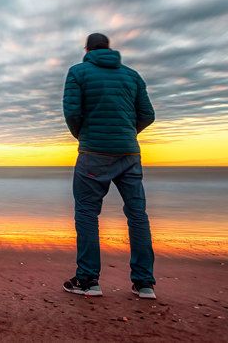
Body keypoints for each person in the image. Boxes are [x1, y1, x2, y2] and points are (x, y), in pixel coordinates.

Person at [61, 32, 157, 299]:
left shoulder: (78, 72)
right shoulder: (132, 75)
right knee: (137, 215)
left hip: (94, 153)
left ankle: (88, 280)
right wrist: (127, 133)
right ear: (108, 48)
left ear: (86, 49)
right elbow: (148, 114)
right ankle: (144, 283)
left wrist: (84, 135)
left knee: (87, 214)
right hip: (128, 153)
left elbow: (72, 112)